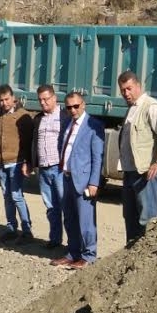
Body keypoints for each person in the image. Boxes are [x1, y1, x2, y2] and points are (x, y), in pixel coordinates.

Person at [116, 70, 157, 246]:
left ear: (138, 86)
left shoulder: (151, 107)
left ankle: (147, 255)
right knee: (130, 217)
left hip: (144, 174)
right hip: (130, 172)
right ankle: (131, 253)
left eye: (129, 88)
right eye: (123, 90)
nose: (126, 93)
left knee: (147, 218)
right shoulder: (132, 109)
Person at [53, 91, 104, 269]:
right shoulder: (67, 123)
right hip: (66, 178)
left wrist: (94, 182)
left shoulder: (93, 125)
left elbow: (97, 157)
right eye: (69, 107)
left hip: (83, 181)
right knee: (69, 218)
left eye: (76, 106)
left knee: (86, 220)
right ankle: (72, 253)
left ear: (83, 105)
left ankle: (88, 255)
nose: (73, 110)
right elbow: (62, 146)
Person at [0, 84, 35, 244]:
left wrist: (28, 162)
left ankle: (27, 231)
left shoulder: (23, 116)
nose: (4, 103)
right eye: (1, 100)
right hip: (1, 163)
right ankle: (11, 229)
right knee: (7, 196)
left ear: (13, 98)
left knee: (16, 195)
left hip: (17, 162)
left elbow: (29, 142)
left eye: (7, 99)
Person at [23, 84, 65, 250]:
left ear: (54, 98)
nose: (43, 102)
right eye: (40, 100)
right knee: (51, 207)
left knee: (66, 206)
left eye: (46, 99)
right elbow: (32, 142)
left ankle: (73, 245)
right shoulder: (38, 119)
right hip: (43, 169)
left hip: (60, 169)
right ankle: (55, 240)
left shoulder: (65, 116)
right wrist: (29, 162)